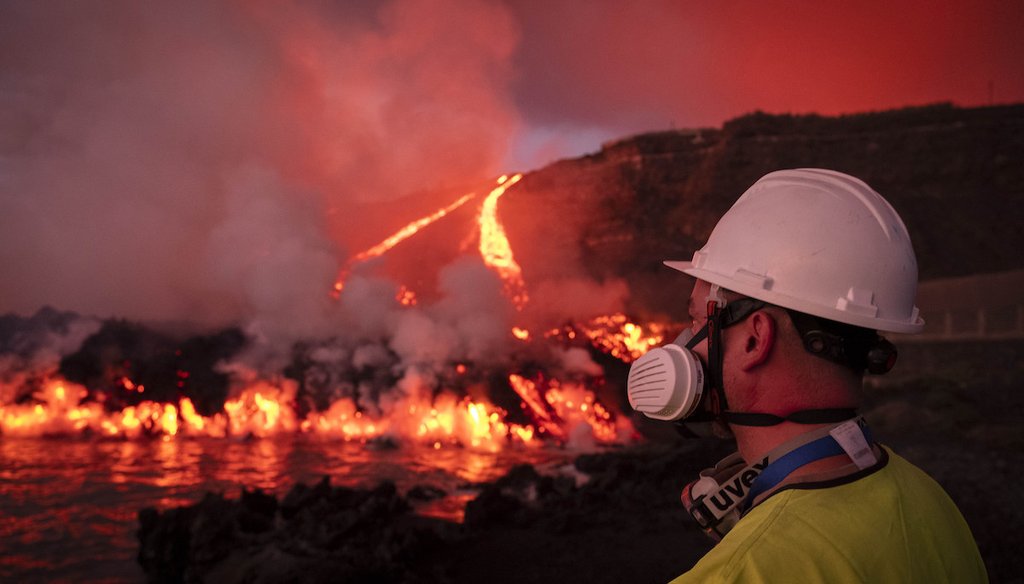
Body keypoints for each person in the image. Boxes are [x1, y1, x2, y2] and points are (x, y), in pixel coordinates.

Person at [626, 169, 987, 583]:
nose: (686, 341)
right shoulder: (930, 503)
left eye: (695, 320)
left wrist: (756, 547)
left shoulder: (740, 572)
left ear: (755, 340)